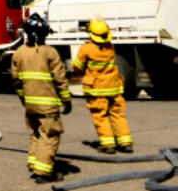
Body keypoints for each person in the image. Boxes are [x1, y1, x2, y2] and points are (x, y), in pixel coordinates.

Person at [12, 13, 72, 184]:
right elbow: (60, 79)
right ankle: (43, 173)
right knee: (50, 135)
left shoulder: (19, 53)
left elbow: (17, 81)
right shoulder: (50, 52)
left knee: (37, 133)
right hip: (48, 106)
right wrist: (66, 101)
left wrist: (24, 100)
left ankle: (34, 162)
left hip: (30, 104)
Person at [72, 18, 133, 154]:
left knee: (100, 116)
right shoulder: (111, 46)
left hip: (97, 90)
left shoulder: (86, 48)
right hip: (114, 87)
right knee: (117, 114)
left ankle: (108, 144)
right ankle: (125, 142)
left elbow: (77, 66)